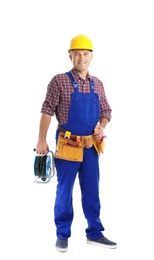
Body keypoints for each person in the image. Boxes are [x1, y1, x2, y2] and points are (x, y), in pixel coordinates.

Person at [35, 34, 117, 252]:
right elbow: (46, 111)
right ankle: (62, 235)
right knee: (64, 191)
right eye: (77, 53)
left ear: (91, 57)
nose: (82, 57)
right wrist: (41, 139)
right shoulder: (59, 81)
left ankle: (95, 234)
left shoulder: (97, 84)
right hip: (67, 146)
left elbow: (107, 111)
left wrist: (101, 126)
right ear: (70, 55)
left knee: (92, 191)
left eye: (86, 54)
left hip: (91, 147)